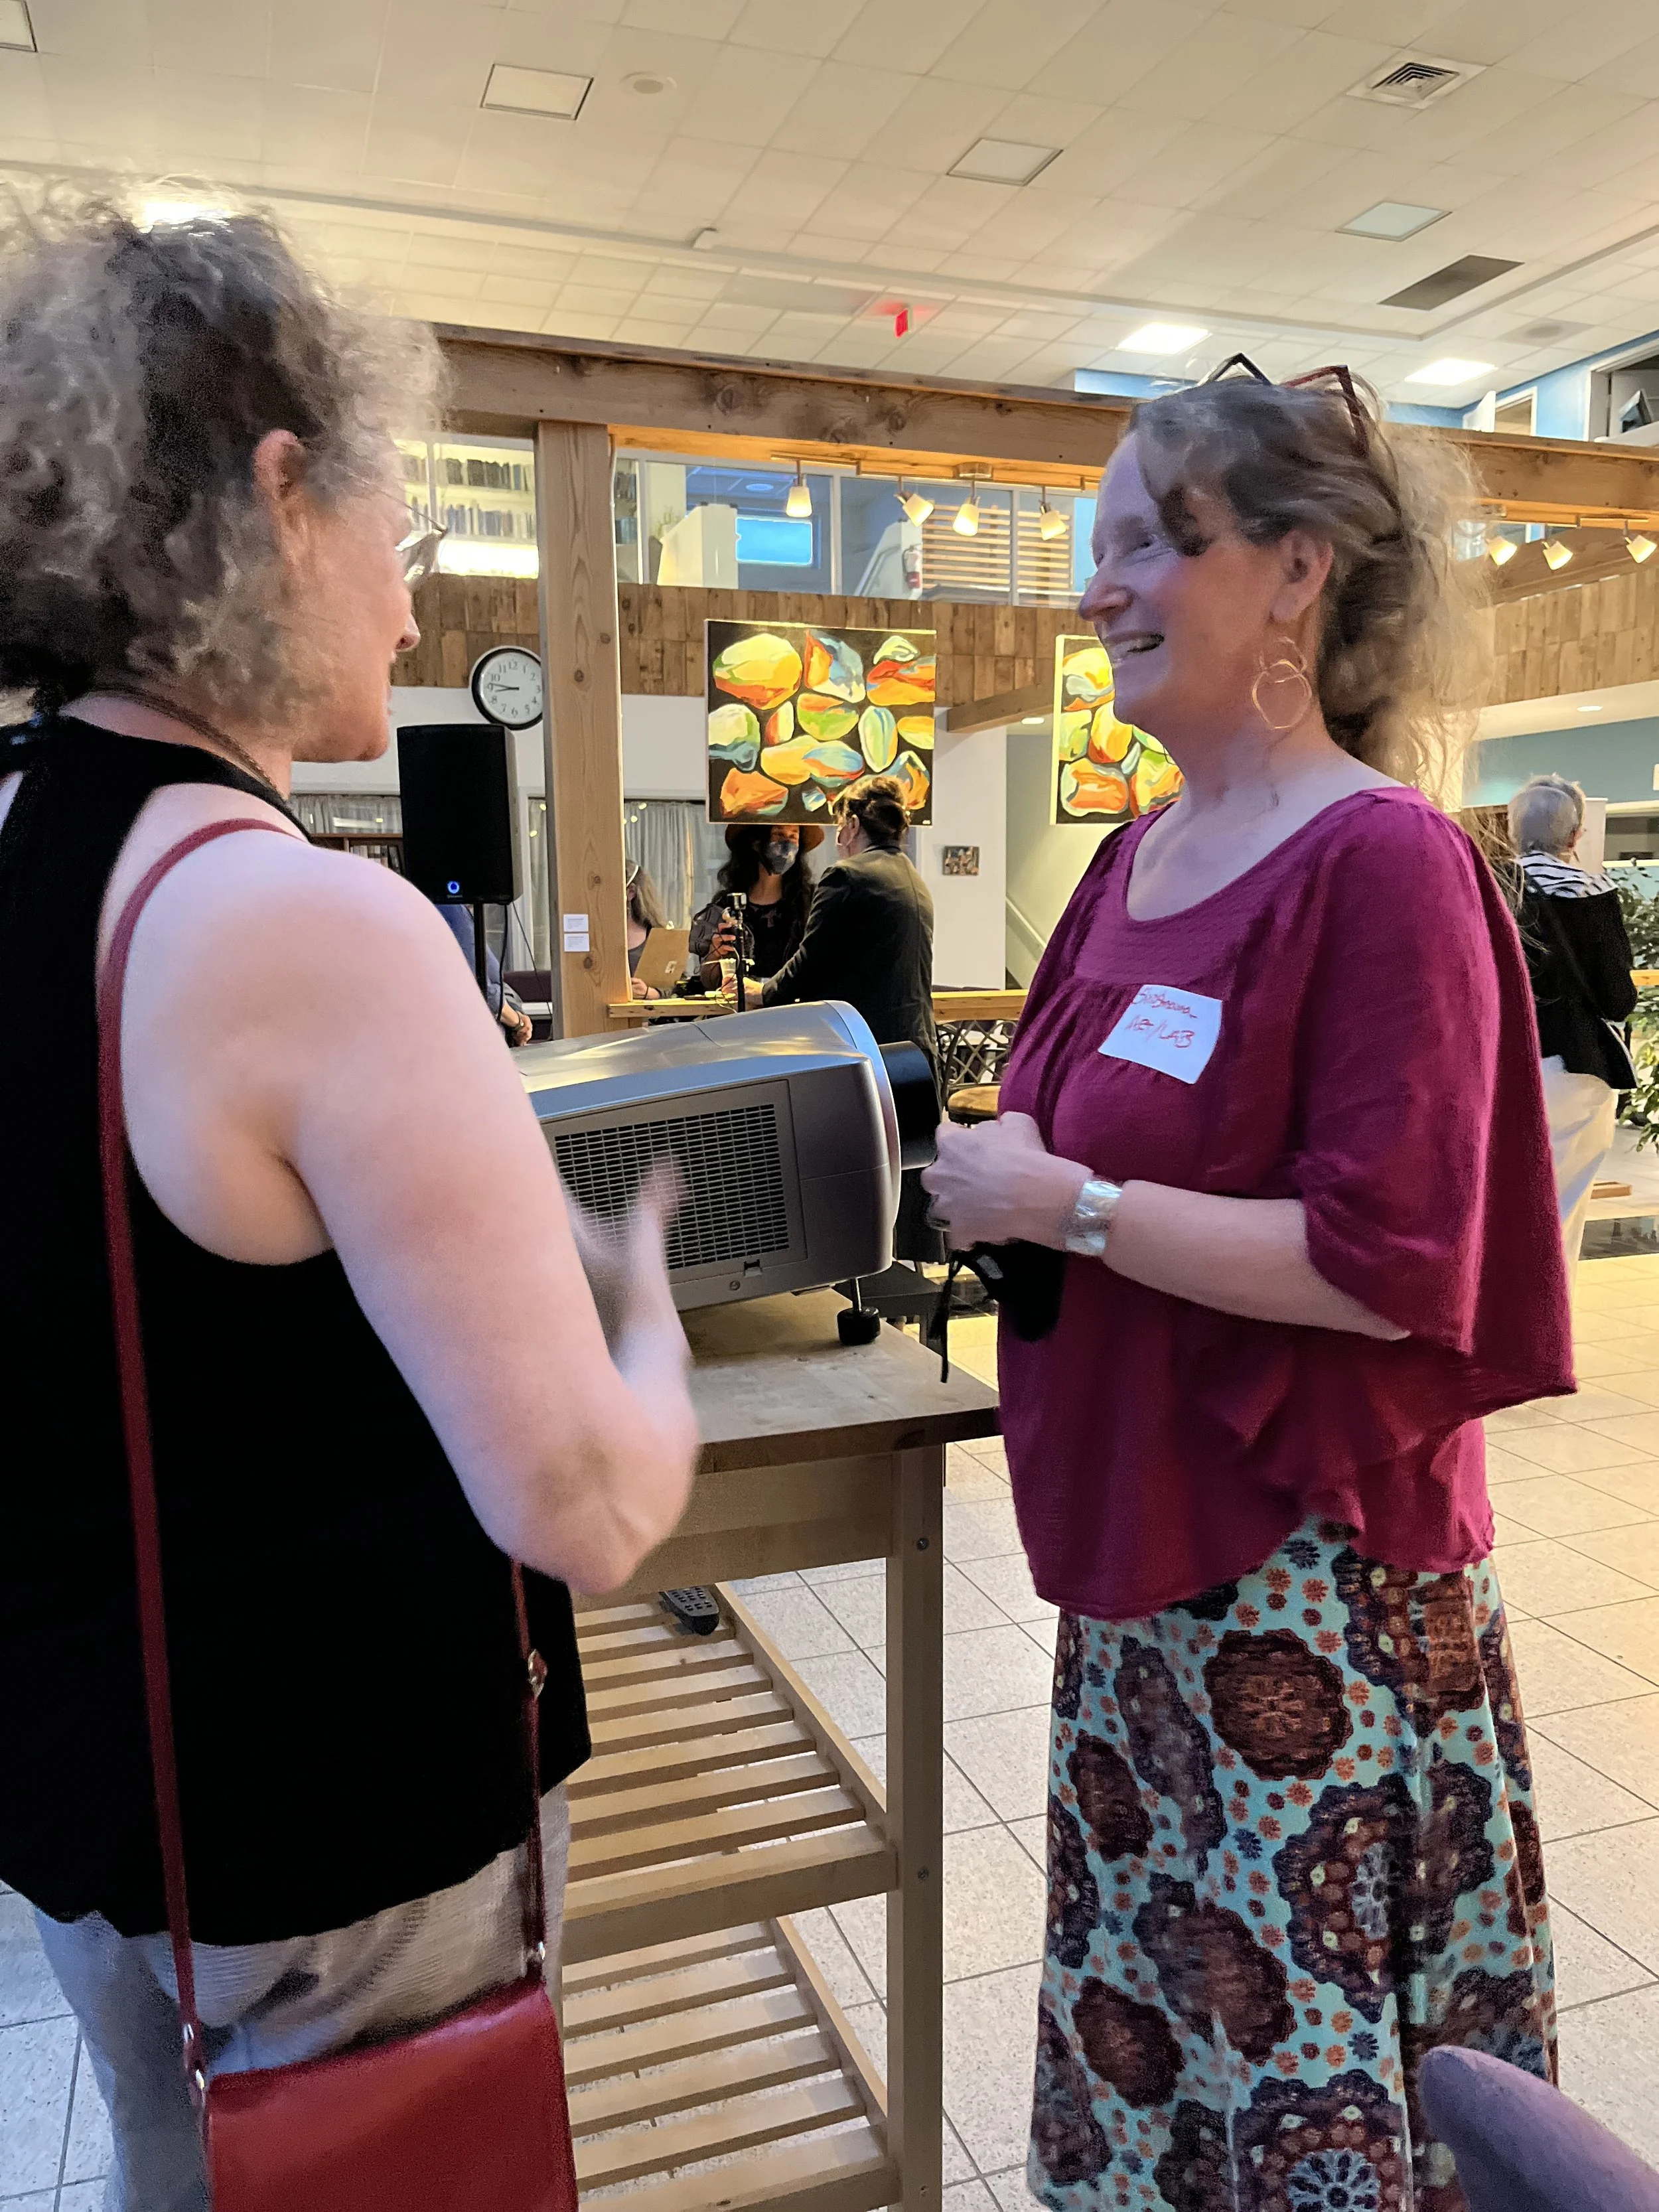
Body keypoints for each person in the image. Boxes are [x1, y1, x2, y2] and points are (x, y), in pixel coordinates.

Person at [0, 204, 699, 2212]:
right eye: (405, 518)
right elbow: (581, 1497)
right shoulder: (303, 921)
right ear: (280, 496)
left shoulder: (30, 854)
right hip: (335, 1842)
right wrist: (644, 1317)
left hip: (107, 1826)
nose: (412, 601)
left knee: (188, 2164)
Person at [920, 365, 1573, 2211]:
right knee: (1178, 2045)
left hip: (1313, 1588)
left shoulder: (1386, 863)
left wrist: (1071, 1203)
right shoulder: (1131, 859)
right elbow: (1051, 1131)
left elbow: (1391, 1270)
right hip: (1144, 1582)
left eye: (1151, 542)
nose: (1098, 589)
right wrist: (1008, 1185)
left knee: (1306, 2071)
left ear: (1295, 572)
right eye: (1096, 548)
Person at [762, 778, 938, 1259]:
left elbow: (800, 974)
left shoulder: (848, 876)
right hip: (914, 1057)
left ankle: (850, 1293)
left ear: (853, 824)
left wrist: (759, 991)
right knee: (900, 1195)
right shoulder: (912, 878)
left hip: (866, 1061)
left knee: (855, 1189)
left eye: (840, 824)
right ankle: (896, 1314)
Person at [1508, 773, 1637, 1283]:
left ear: (1515, 830)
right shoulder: (1596, 893)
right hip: (1575, 1064)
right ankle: (1547, 1335)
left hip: (1495, 1060)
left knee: (1499, 1203)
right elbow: (1617, 997)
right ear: (1575, 835)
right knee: (1561, 1211)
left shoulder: (1487, 884)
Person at [689, 822, 820, 986]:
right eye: (778, 834)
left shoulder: (813, 902)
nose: (787, 844)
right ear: (756, 842)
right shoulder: (727, 906)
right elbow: (709, 981)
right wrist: (715, 954)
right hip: (743, 1008)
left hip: (795, 1006)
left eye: (794, 836)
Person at [435, 899, 534, 1043]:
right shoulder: (451, 909)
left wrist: (515, 1014)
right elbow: (482, 987)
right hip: (472, 1040)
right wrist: (518, 1023)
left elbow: (492, 979)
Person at [626, 855, 672, 999]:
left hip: (653, 1020)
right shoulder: (594, 937)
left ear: (631, 892)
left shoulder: (659, 936)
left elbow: (675, 985)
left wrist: (650, 993)